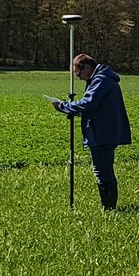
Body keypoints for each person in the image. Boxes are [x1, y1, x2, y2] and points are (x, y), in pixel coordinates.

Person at [50, 53, 132, 210]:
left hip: (102, 132)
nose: (79, 78)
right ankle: (108, 206)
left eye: (79, 73)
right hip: (104, 131)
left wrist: (63, 106)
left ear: (86, 67)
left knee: (102, 170)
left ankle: (108, 208)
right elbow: (94, 107)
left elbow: (88, 104)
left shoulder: (101, 81)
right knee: (104, 168)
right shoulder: (102, 79)